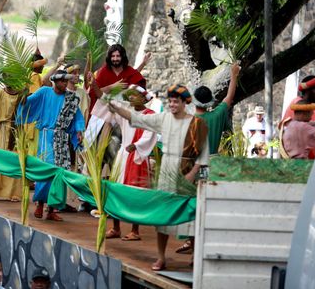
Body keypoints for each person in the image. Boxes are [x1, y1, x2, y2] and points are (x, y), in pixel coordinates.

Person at [109, 84, 209, 271]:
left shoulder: (197, 124)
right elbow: (138, 118)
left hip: (187, 170)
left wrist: (191, 174)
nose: (171, 104)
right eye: (170, 101)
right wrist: (117, 109)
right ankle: (161, 257)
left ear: (184, 103)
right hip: (167, 171)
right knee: (163, 215)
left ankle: (195, 256)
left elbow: (203, 155)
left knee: (190, 215)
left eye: (175, 101)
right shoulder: (163, 118)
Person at [91, 82, 157, 241]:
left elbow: (150, 134)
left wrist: (137, 145)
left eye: (134, 95)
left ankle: (135, 230)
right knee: (117, 190)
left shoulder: (150, 114)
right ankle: (116, 228)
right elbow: (105, 100)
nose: (131, 98)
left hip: (138, 158)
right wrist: (94, 84)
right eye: (130, 95)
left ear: (143, 98)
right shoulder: (125, 111)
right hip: (123, 156)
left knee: (136, 194)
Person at [17, 70, 85, 221]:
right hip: (46, 137)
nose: (64, 84)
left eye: (65, 81)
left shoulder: (71, 99)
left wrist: (79, 131)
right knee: (46, 169)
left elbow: (78, 117)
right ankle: (40, 204)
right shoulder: (44, 92)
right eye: (61, 81)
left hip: (61, 138)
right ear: (55, 81)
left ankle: (52, 209)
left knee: (60, 172)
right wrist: (22, 97)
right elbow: (29, 102)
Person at [193, 63, 240, 155]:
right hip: (214, 163)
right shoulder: (217, 115)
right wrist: (234, 75)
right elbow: (229, 97)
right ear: (210, 101)